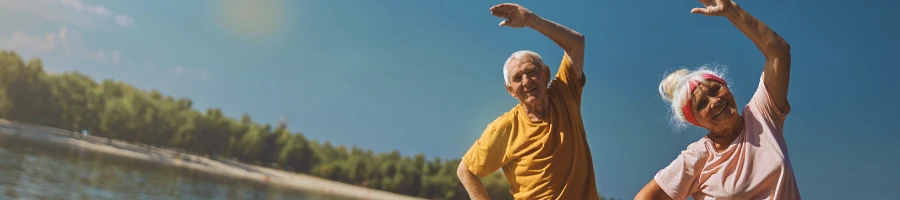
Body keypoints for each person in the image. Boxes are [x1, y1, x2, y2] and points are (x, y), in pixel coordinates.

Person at [634, 0, 799, 199]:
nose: (715, 101)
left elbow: (779, 53)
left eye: (715, 89)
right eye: (702, 104)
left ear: (726, 87)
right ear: (696, 121)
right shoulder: (698, 156)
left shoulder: (762, 115)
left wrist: (732, 11)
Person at [455, 3, 599, 200]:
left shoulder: (565, 93)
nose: (526, 82)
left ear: (546, 74)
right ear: (510, 90)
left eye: (532, 73)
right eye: (517, 78)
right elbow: (466, 170)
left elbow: (577, 43)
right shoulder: (506, 127)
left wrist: (533, 21)